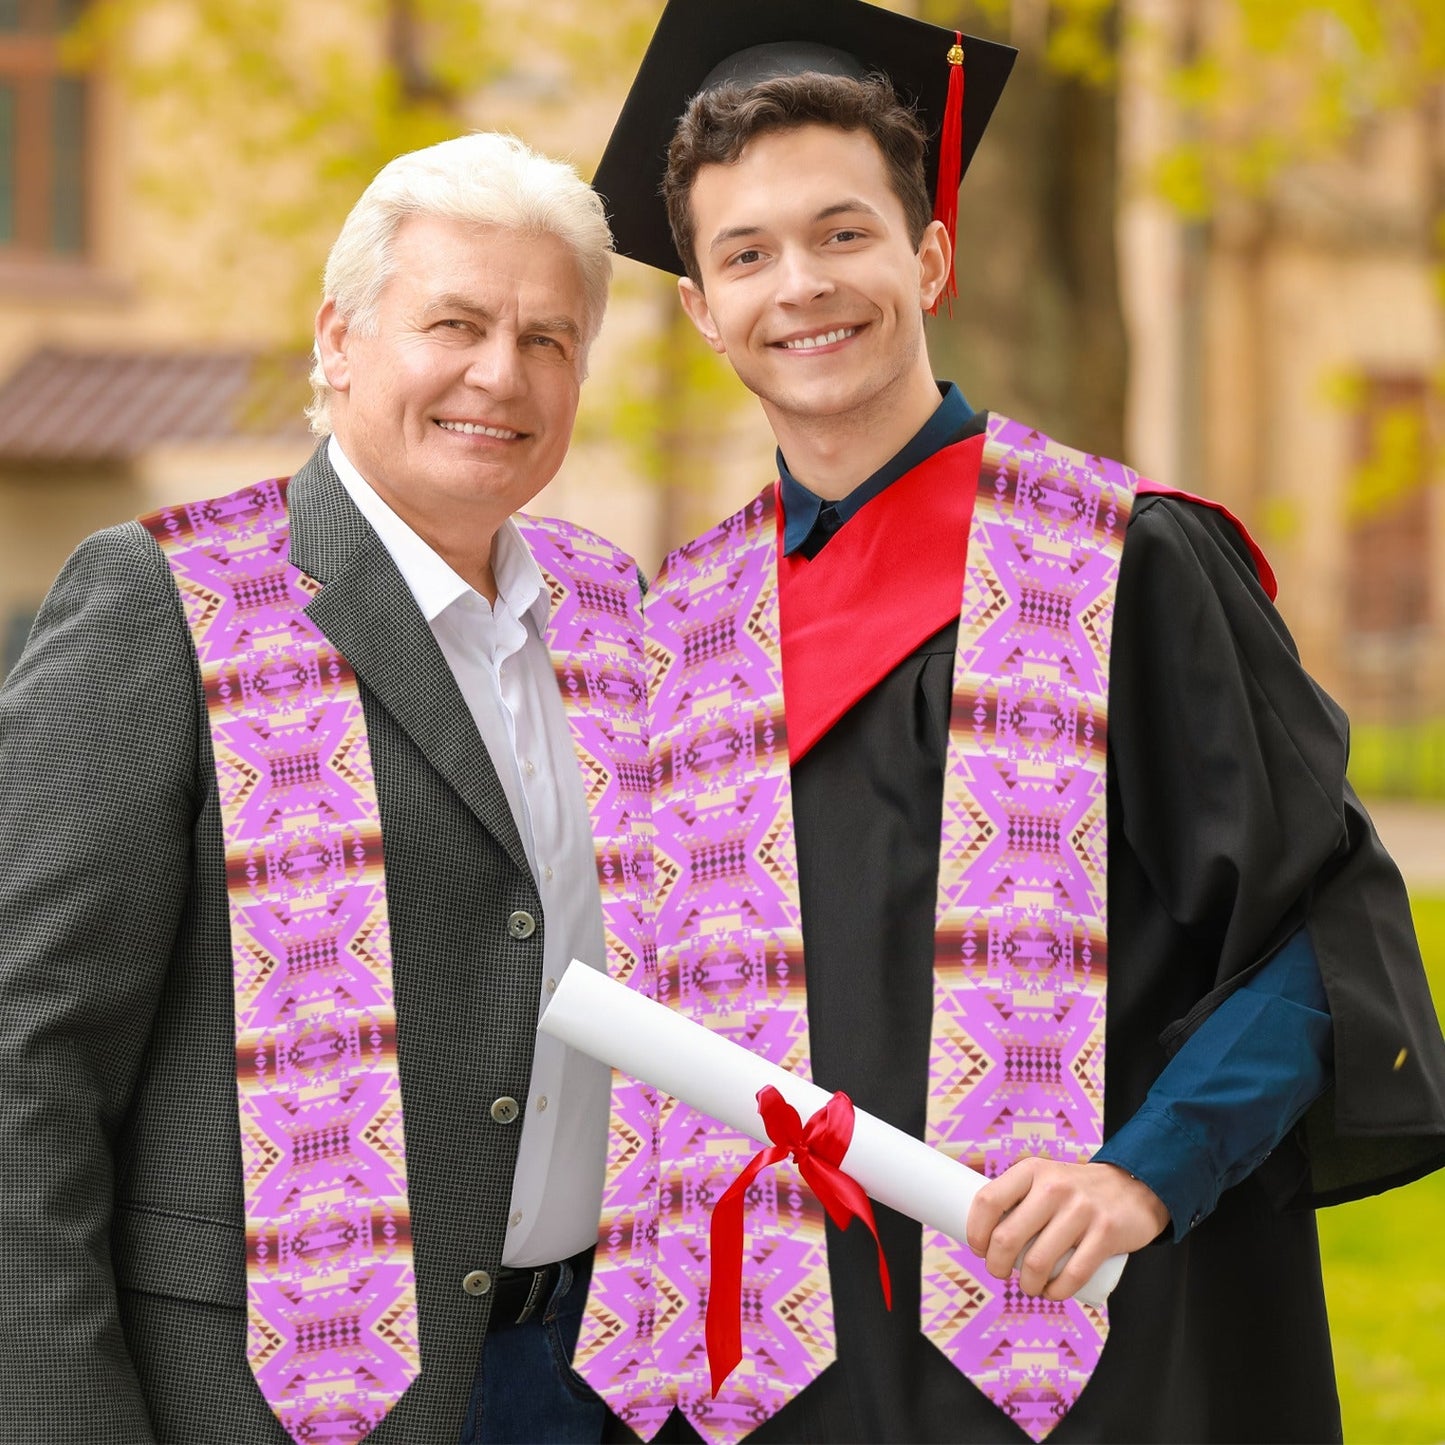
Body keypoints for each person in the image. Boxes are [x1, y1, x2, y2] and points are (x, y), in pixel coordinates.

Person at [570, 2, 1445, 1442]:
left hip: (1093, 1348)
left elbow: (1318, 932)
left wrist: (1144, 1171)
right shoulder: (680, 631)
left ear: (928, 253)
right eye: (746, 254)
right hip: (778, 1375)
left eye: (842, 233)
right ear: (701, 307)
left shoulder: (1124, 562)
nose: (800, 285)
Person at [0, 132, 648, 1445]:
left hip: (592, 1382)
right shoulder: (172, 600)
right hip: (265, 1398)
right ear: (339, 339)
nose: (498, 374)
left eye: (546, 338)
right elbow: (27, 1060)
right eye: (454, 322)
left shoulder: (615, 616)